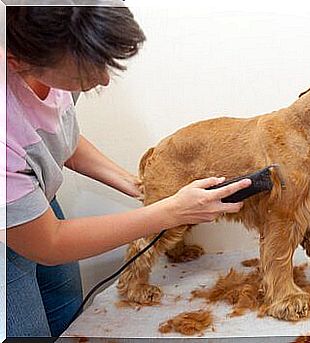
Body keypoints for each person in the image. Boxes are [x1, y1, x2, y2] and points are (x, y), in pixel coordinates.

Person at [5, 6, 251, 338]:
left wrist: (139, 186)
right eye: (84, 72)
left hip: (33, 201)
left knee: (68, 317)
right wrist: (170, 210)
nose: (104, 79)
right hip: (17, 230)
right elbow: (49, 243)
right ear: (16, 60)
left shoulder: (49, 56)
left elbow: (58, 138)